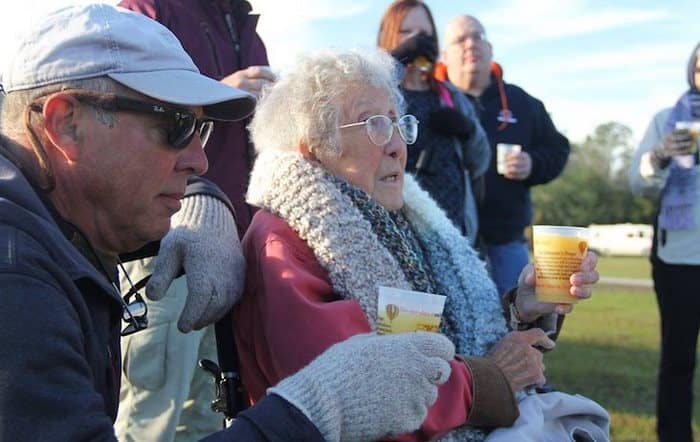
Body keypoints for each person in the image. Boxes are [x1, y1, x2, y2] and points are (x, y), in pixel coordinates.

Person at [0, 5, 456, 441]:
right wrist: (316, 410)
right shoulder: (14, 279)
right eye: (175, 126)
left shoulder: (49, 220)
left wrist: (206, 197)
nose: (199, 159)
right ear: (65, 125)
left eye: (203, 131)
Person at [234, 47, 606, 441]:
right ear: (314, 149)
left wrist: (524, 308)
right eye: (374, 124)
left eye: (398, 124)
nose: (397, 145)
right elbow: (361, 399)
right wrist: (490, 379)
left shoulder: (398, 219)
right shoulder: (284, 244)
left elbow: (446, 332)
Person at [115, 1, 275, 439]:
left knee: (208, 414)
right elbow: (121, 115)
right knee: (154, 414)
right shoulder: (147, 10)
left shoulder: (244, 22)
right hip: (162, 243)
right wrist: (216, 93)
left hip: (233, 249)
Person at [438, 15, 571, 295]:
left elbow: (558, 148)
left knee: (516, 324)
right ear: (444, 55)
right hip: (445, 241)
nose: (471, 44)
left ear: (490, 48)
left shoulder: (520, 102)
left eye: (478, 36)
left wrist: (532, 164)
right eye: (460, 40)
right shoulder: (432, 101)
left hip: (506, 242)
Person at [629, 42, 700, 442]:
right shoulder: (666, 120)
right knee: (678, 360)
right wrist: (657, 156)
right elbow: (638, 183)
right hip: (677, 259)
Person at [377, 0, 490, 247]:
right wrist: (394, 61)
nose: (418, 40)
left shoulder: (448, 94)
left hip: (454, 234)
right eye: (407, 32)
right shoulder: (378, 92)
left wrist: (468, 131)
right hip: (403, 235)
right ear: (390, 35)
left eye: (425, 34)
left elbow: (480, 161)